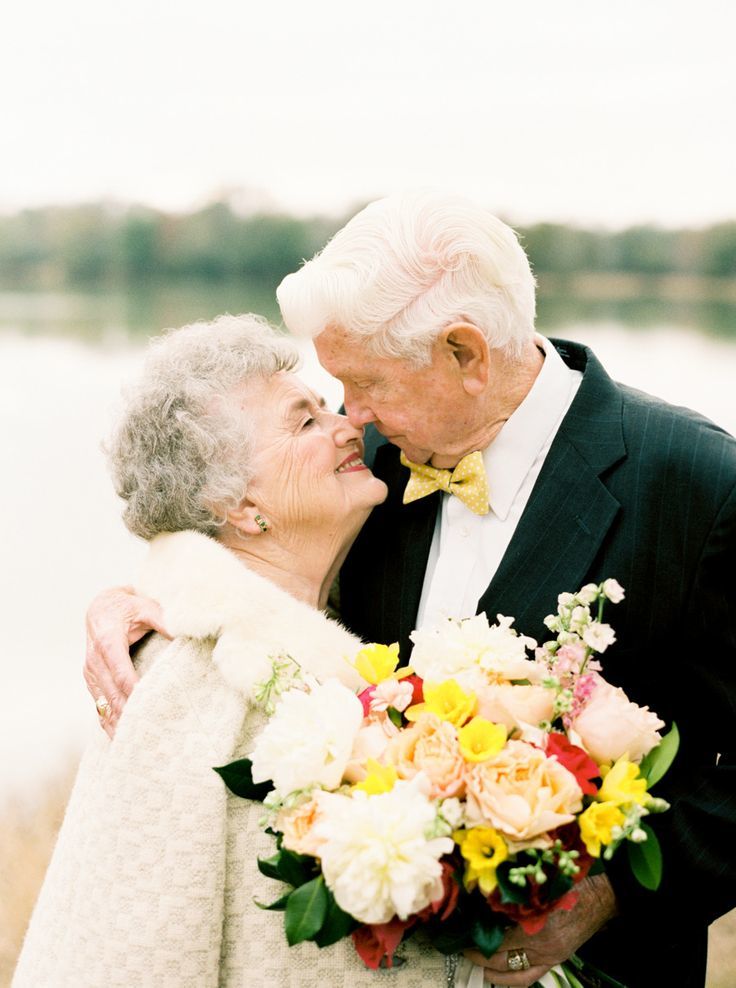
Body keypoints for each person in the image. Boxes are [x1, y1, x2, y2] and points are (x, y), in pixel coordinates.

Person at [84, 193, 736, 988]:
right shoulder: (363, 467)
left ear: (465, 354)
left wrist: (604, 895)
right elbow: (248, 547)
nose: (346, 414)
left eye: (362, 383)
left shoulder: (699, 484)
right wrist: (147, 601)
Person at [14, 314, 446, 988]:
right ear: (238, 505)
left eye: (326, 409)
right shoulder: (185, 679)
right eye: (304, 422)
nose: (345, 426)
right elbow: (129, 949)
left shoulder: (334, 613)